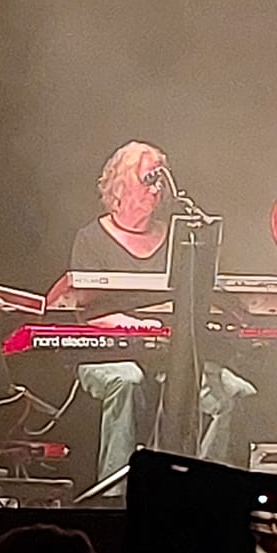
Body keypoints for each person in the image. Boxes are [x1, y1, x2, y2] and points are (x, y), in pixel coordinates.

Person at [69, 141, 253, 487]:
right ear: (121, 184)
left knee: (232, 392)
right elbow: (84, 310)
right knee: (126, 380)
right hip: (107, 355)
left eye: (160, 180)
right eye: (148, 179)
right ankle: (116, 496)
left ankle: (209, 490)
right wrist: (134, 326)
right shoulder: (91, 239)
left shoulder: (181, 239)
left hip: (173, 355)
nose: (156, 189)